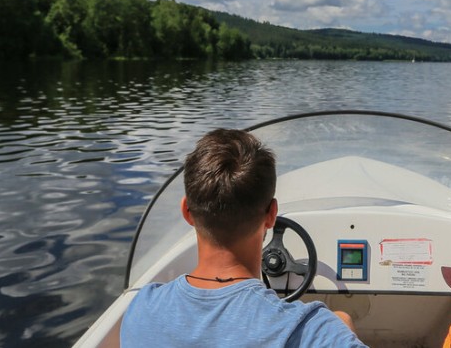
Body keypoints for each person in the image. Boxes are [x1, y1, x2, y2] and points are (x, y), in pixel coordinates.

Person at [120, 128, 365, 347]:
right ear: (272, 215)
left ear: (187, 211)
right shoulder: (309, 331)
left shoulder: (142, 309)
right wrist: (340, 325)